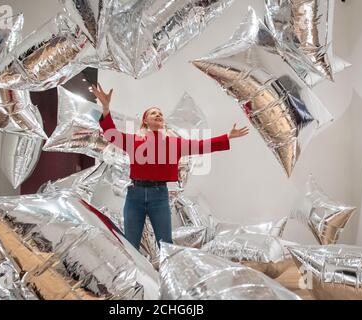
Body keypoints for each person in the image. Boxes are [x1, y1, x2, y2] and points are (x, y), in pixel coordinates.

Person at [91, 83, 249, 250]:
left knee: (165, 244)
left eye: (160, 114)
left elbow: (201, 145)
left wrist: (227, 136)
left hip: (159, 196)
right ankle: (136, 276)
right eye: (154, 113)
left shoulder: (174, 143)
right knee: (130, 244)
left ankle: (167, 274)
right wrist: (106, 107)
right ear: (145, 120)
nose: (158, 115)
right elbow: (110, 134)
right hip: (134, 196)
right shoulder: (134, 141)